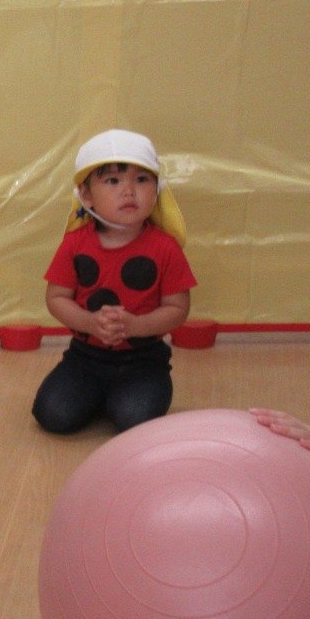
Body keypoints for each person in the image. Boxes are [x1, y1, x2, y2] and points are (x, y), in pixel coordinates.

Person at [31, 129, 196, 435]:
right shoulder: (74, 244)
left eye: (142, 179)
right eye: (113, 181)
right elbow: (56, 298)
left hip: (144, 361)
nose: (129, 191)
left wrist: (135, 326)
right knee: (51, 414)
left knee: (135, 419)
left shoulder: (165, 248)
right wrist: (89, 323)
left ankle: (116, 398)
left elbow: (178, 308)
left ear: (157, 190)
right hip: (84, 358)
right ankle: (99, 394)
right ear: (86, 196)